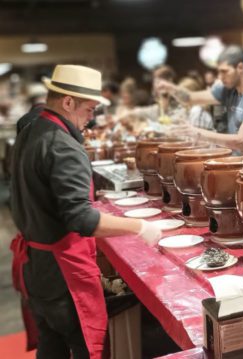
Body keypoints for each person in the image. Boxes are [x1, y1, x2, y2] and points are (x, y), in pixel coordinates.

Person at [10, 64, 162, 358]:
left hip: (34, 268)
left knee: (50, 344)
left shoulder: (31, 128)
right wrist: (139, 227)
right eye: (90, 110)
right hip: (62, 275)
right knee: (84, 349)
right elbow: (81, 219)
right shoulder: (63, 146)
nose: (90, 121)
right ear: (68, 102)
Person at [157, 45, 243, 155]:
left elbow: (241, 142)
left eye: (224, 71)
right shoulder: (227, 88)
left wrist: (196, 132)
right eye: (219, 72)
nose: (220, 77)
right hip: (238, 163)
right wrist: (170, 88)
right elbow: (190, 98)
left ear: (240, 68)